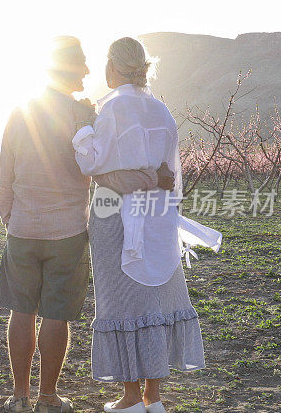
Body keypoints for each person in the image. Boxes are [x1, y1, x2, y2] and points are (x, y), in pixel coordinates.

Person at [0, 36, 172, 413]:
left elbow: (3, 173)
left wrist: (10, 217)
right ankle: (48, 398)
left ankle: (19, 397)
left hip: (22, 229)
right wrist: (151, 178)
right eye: (82, 65)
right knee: (56, 315)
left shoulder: (20, 111)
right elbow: (101, 166)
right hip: (68, 232)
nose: (89, 71)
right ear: (67, 69)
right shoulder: (84, 113)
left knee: (21, 312)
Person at [72, 37, 207, 413]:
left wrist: (83, 129)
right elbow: (171, 174)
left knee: (122, 301)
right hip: (157, 212)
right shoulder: (160, 109)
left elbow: (91, 163)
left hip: (113, 212)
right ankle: (154, 397)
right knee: (156, 297)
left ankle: (130, 398)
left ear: (112, 68)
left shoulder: (111, 109)